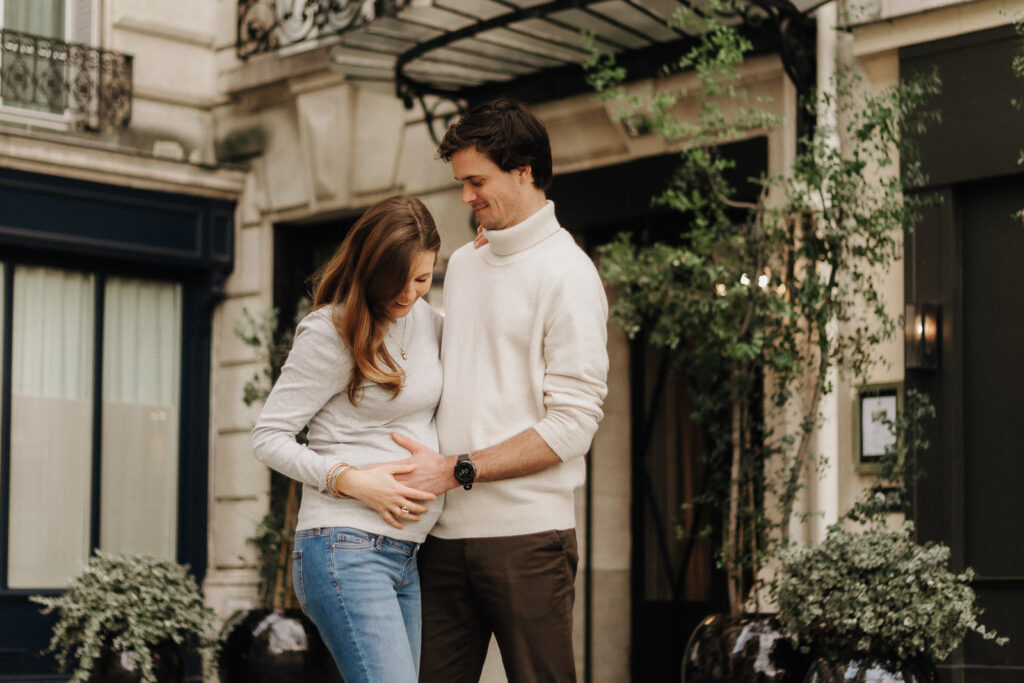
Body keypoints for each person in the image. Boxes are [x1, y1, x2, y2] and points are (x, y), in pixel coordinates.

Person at [392, 99, 610, 682]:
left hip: (529, 541)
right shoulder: (464, 264)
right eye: (461, 182)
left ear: (525, 171)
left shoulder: (570, 276)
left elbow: (574, 425)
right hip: (441, 537)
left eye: (475, 181)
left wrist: (458, 469)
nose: (466, 197)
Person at [251, 195, 443, 683]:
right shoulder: (330, 331)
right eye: (396, 281)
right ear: (369, 269)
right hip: (343, 547)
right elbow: (268, 436)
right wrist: (352, 481)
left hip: (405, 555)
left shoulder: (427, 321)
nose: (408, 295)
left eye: (422, 279)